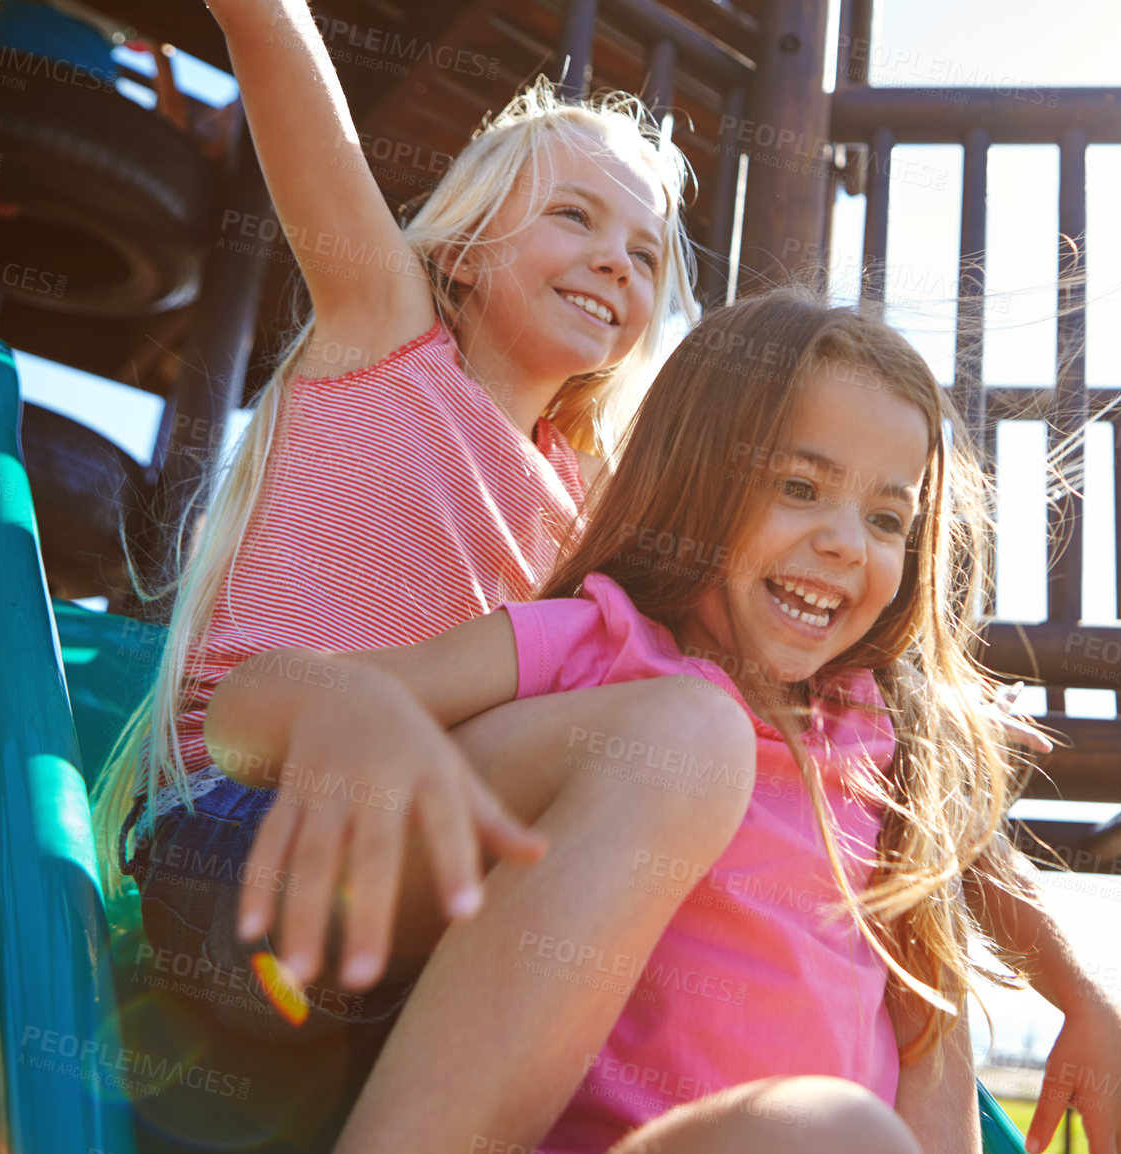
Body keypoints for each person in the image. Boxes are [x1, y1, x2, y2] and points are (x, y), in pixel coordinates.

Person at [204, 290, 1121, 1154]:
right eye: (801, 487)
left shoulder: (877, 741)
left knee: (859, 1113)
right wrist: (352, 711)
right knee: (834, 1119)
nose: (845, 542)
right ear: (698, 476)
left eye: (889, 519)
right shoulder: (608, 650)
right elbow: (240, 714)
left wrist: (1083, 998)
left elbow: (966, 880)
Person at [89, 0, 734, 1107]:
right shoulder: (386, 335)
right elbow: (289, 83)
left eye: (640, 253)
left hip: (430, 870)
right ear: (470, 247)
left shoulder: (592, 512)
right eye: (573, 218)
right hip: (243, 823)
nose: (611, 264)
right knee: (669, 738)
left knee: (686, 754)